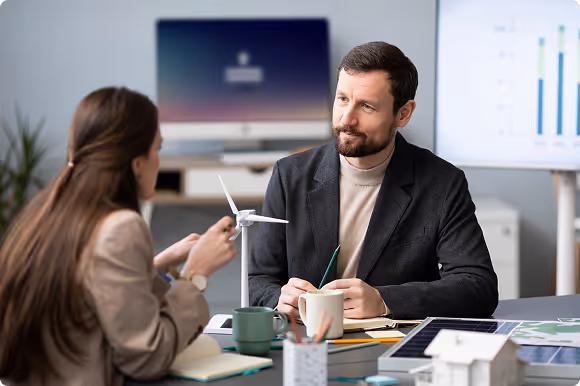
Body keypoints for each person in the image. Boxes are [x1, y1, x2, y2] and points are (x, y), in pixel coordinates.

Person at [0, 87, 237, 386]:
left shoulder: (44, 213)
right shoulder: (122, 227)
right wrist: (195, 273)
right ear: (137, 164)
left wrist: (160, 263)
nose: (158, 162)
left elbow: (91, 291)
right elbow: (146, 357)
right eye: (157, 150)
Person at [249, 41, 498, 320]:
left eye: (366, 106)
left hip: (394, 344)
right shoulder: (289, 175)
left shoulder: (443, 182)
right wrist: (279, 300)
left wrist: (384, 300)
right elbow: (258, 280)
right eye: (342, 99)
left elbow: (478, 285)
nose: (347, 119)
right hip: (306, 342)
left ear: (403, 113)